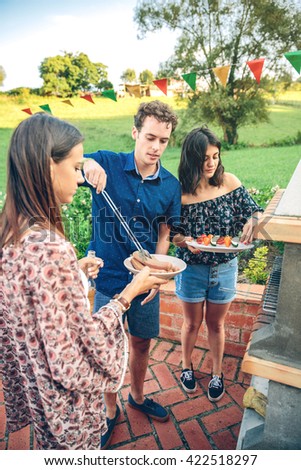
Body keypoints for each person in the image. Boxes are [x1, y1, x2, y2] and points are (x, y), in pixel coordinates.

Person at [0, 113, 168, 450]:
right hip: (70, 408)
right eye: (76, 167)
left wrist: (73, 271)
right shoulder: (50, 249)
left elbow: (34, 306)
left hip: (42, 397)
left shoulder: (14, 230)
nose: (80, 180)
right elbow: (76, 353)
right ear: (49, 166)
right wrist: (132, 290)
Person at [82, 100, 181, 448]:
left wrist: (158, 270)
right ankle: (111, 412)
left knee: (141, 343)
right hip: (108, 279)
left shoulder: (170, 185)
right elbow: (65, 160)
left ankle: (137, 397)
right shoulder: (106, 161)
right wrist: (86, 162)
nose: (155, 147)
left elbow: (166, 232)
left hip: (146, 282)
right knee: (105, 349)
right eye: (149, 137)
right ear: (135, 133)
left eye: (163, 141)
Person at [172, 125, 263, 402]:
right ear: (191, 158)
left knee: (216, 325)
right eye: (205, 157)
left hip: (225, 268)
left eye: (215, 156)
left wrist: (253, 220)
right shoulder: (180, 194)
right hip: (191, 269)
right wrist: (183, 241)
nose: (211, 163)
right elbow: (171, 232)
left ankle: (216, 373)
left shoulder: (230, 183)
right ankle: (186, 367)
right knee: (191, 323)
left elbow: (253, 210)